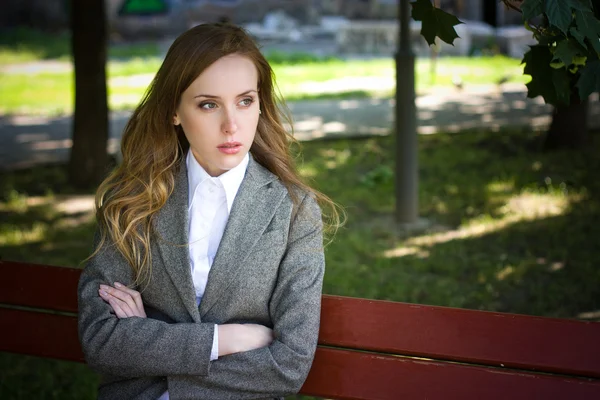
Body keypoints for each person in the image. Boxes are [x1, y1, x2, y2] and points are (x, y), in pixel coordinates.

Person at [77, 23, 340, 399]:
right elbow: (102, 341)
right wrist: (227, 338)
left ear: (260, 104)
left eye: (245, 101)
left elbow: (288, 365)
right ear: (175, 112)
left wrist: (151, 345)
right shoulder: (132, 200)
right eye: (208, 104)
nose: (231, 125)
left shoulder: (294, 211)